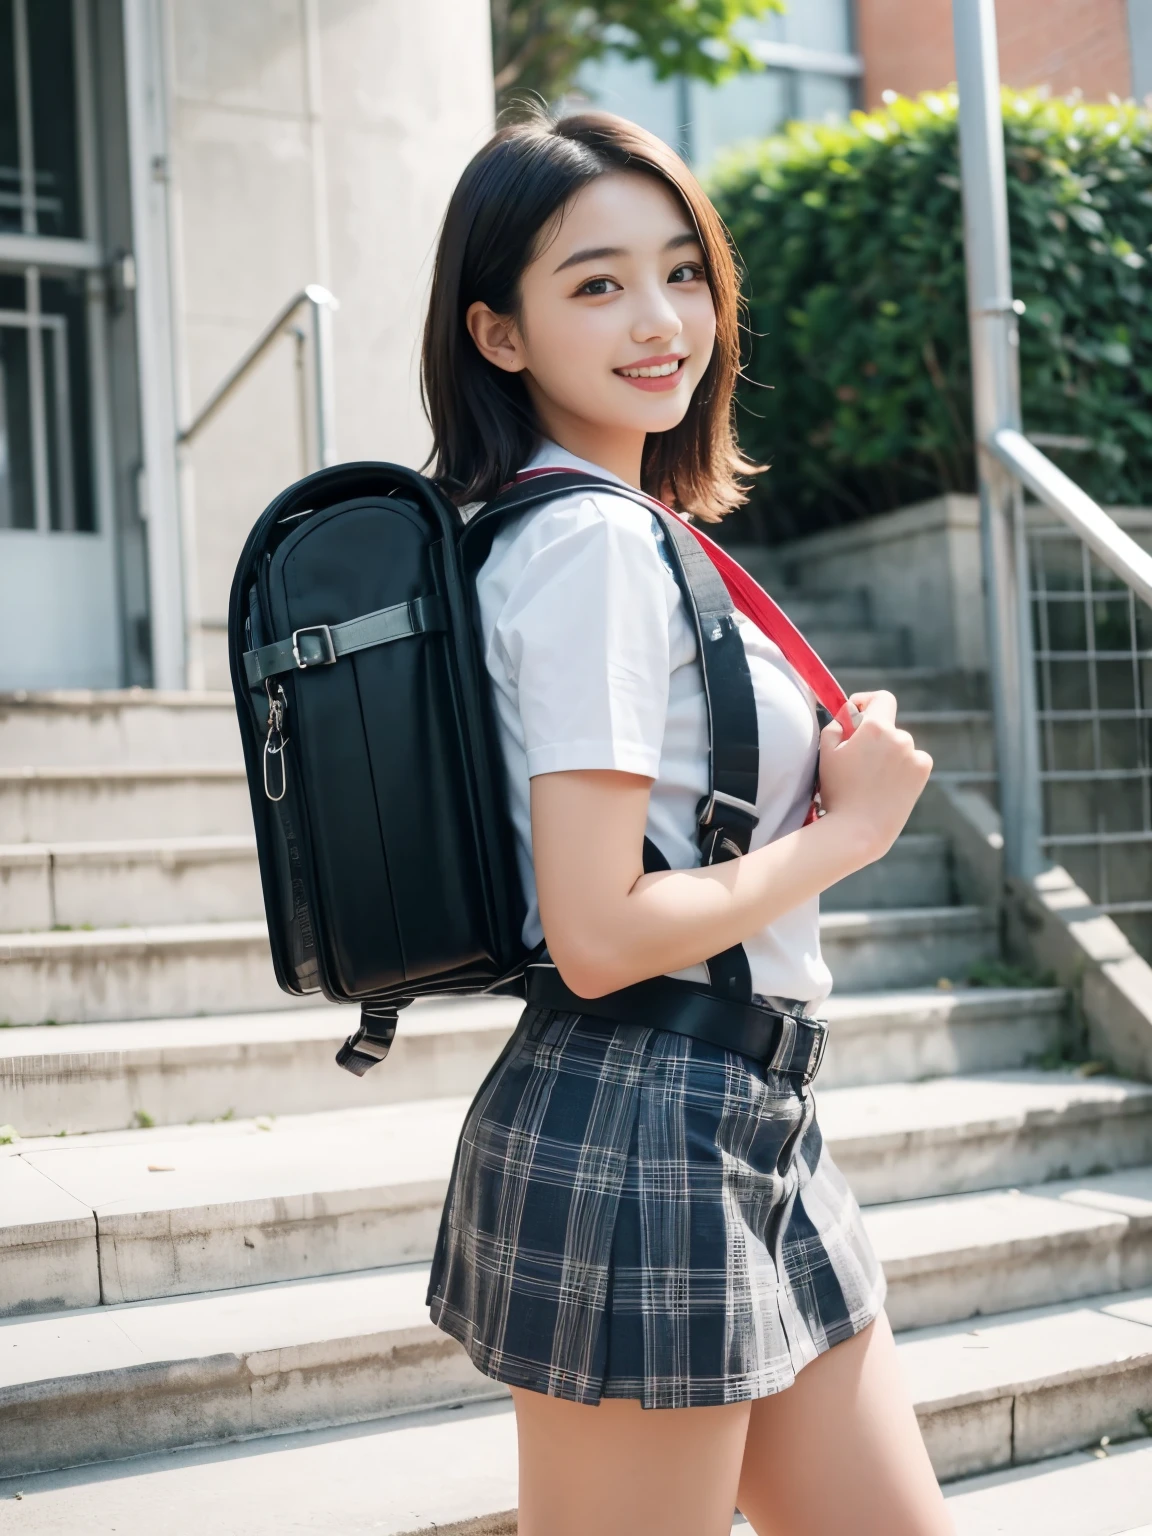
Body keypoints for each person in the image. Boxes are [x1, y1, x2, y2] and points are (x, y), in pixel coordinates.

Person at [418, 107, 948, 1536]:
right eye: (594, 284)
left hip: (751, 1115)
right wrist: (845, 834)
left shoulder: (616, 524)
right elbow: (597, 935)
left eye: (682, 273)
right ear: (499, 333)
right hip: (645, 1122)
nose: (659, 320)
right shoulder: (588, 545)